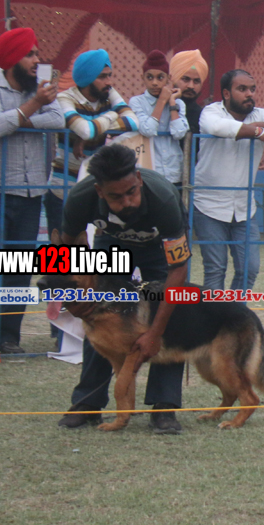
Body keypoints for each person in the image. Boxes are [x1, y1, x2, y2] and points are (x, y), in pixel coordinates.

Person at [56, 145, 192, 434]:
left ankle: (164, 407)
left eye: (131, 192)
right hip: (112, 245)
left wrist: (154, 334)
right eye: (116, 197)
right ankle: (88, 403)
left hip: (158, 249)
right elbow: (67, 251)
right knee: (97, 316)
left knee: (171, 318)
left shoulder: (164, 199)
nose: (127, 202)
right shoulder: (80, 199)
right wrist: (73, 297)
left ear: (139, 179)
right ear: (99, 192)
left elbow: (178, 271)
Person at [0, 28, 64, 357]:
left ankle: (9, 337)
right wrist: (34, 106)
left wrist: (18, 120)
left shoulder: (41, 90)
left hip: (31, 191)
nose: (37, 60)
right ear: (11, 59)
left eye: (36, 53)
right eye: (30, 54)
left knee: (19, 269)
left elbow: (58, 120)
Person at [194, 69, 264, 293]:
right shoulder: (211, 111)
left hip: (244, 207)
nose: (249, 94)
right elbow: (217, 127)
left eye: (252, 89)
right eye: (242, 89)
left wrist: (257, 125)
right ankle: (214, 316)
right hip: (209, 205)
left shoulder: (258, 113)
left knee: (249, 270)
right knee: (215, 269)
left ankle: (234, 313)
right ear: (226, 94)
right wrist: (259, 131)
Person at [46, 49, 139, 243]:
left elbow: (133, 121)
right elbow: (86, 131)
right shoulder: (65, 98)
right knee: (64, 251)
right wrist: (112, 115)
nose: (109, 82)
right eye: (102, 77)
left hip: (96, 189)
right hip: (65, 187)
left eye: (109, 75)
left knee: (98, 251)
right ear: (87, 78)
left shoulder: (108, 93)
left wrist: (94, 127)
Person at [130, 50, 189, 188]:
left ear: (168, 78)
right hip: (149, 171)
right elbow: (148, 130)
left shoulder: (178, 103)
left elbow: (179, 133)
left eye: (160, 77)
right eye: (149, 77)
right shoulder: (137, 102)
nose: (155, 83)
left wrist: (172, 102)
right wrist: (162, 101)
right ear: (142, 78)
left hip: (174, 171)